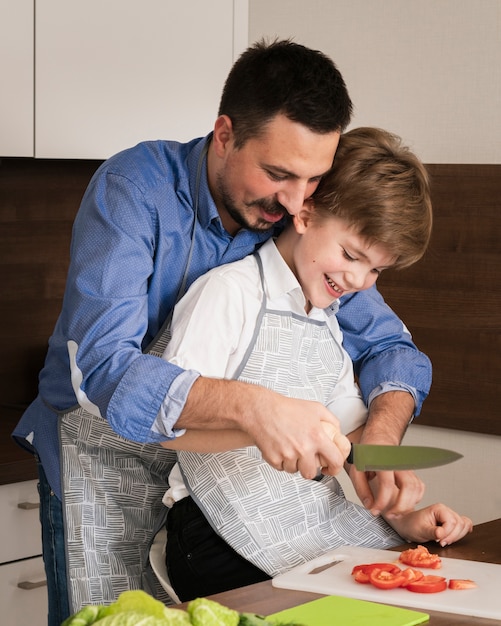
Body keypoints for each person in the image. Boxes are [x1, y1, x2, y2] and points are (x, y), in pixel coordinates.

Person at [12, 39, 430, 623]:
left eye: (311, 182)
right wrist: (255, 407)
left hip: (205, 476)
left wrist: (378, 442)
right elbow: (105, 368)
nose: (292, 201)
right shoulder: (135, 190)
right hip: (101, 456)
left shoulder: (293, 216)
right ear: (225, 134)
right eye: (279, 174)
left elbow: (389, 347)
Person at [159, 127, 472, 601]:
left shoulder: (328, 321)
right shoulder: (229, 292)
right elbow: (165, 421)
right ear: (304, 212)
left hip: (312, 525)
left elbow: (349, 446)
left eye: (376, 270)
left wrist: (400, 514)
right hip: (213, 530)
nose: (359, 280)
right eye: (350, 255)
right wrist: (262, 426)